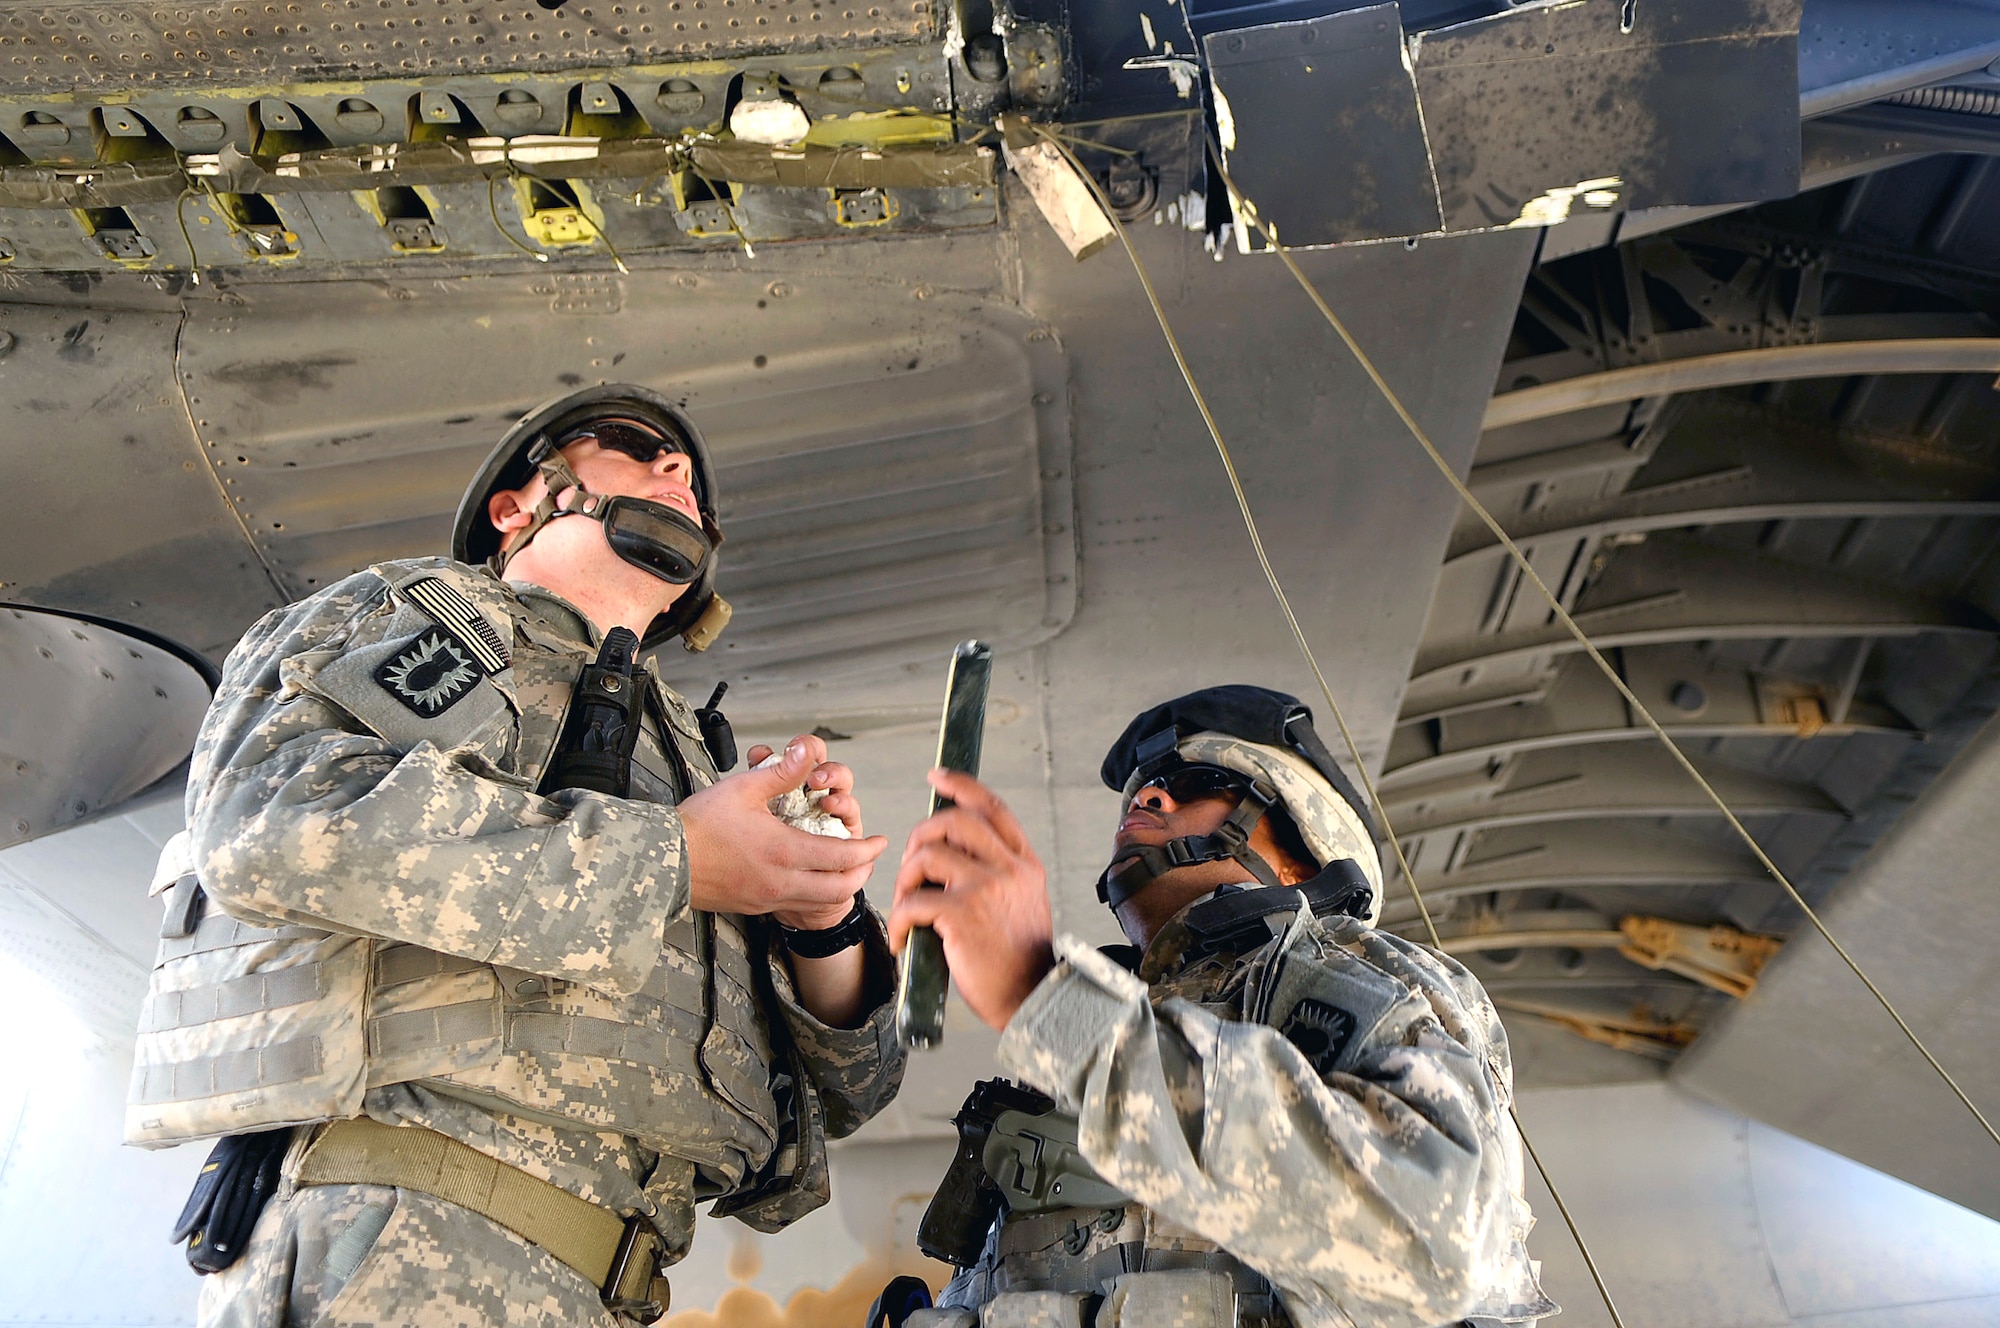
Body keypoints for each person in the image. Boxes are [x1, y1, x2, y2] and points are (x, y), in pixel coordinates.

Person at [127, 384, 907, 1327]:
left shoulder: (695, 763)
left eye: (690, 475)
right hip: (411, 1236)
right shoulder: (435, 622)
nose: (678, 471)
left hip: (608, 1281)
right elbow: (275, 825)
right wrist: (676, 859)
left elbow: (855, 1094)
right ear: (517, 505)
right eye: (634, 447)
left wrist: (820, 921)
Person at [886, 685, 1555, 1328]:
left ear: (1299, 862)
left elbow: (1437, 1235)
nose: (1147, 796)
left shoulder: (1359, 976)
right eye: (1148, 787)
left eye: (1199, 785)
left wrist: (1043, 997)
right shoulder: (1104, 1031)